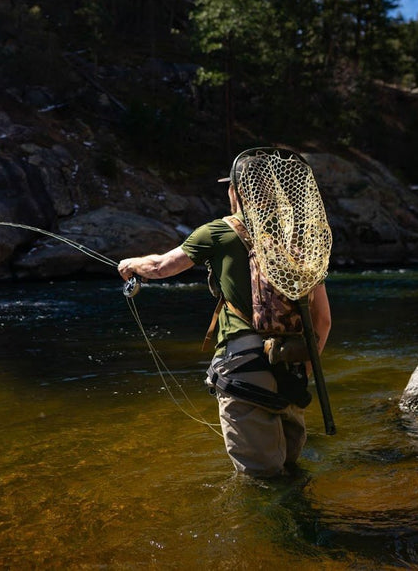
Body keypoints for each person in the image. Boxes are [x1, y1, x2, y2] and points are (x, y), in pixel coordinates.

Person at [117, 161, 331, 478]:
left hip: (244, 368)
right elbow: (323, 320)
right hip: (294, 365)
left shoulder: (218, 231)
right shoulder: (298, 242)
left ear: (235, 191)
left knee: (262, 483)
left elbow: (162, 267)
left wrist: (130, 263)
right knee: (292, 471)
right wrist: (306, 368)